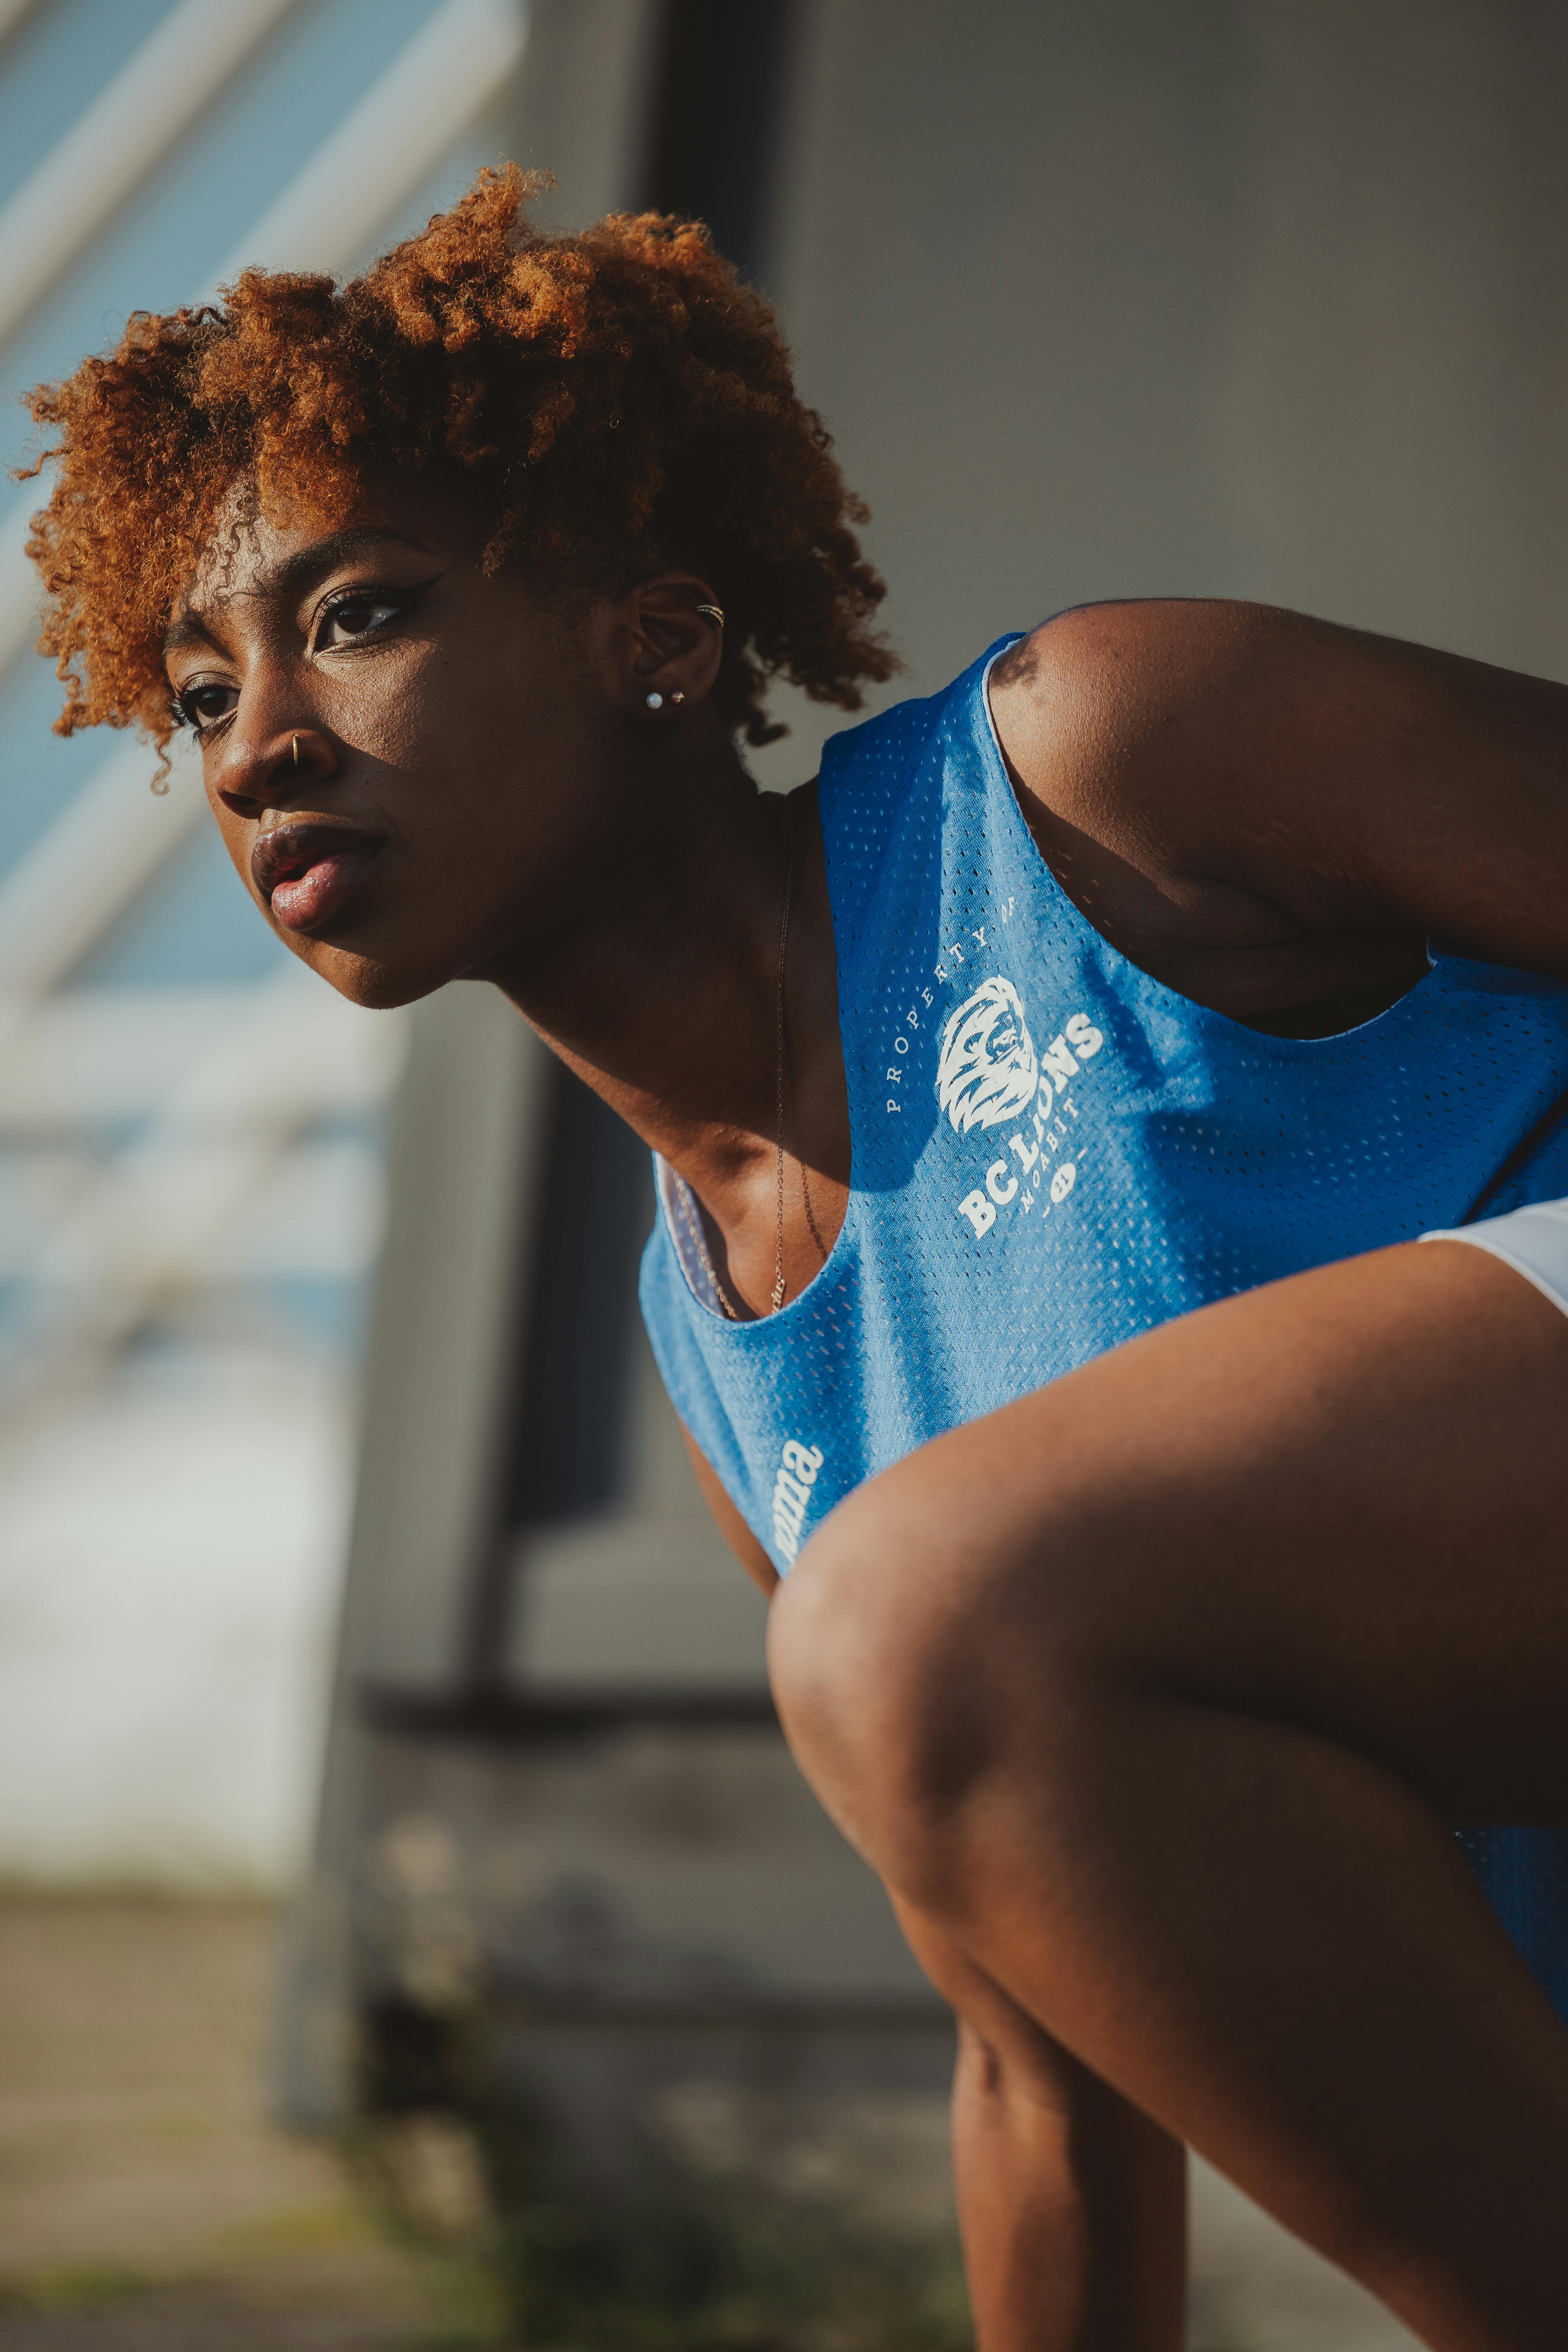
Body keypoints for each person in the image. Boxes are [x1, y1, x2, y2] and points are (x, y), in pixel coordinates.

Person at [21, 166, 1568, 2349]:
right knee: (919, 1622)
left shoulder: (1107, 757)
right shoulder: (736, 1346)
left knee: (927, 1601)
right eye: (197, 695)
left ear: (652, 639)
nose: (258, 749)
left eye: (357, 615)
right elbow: (1045, 2067)